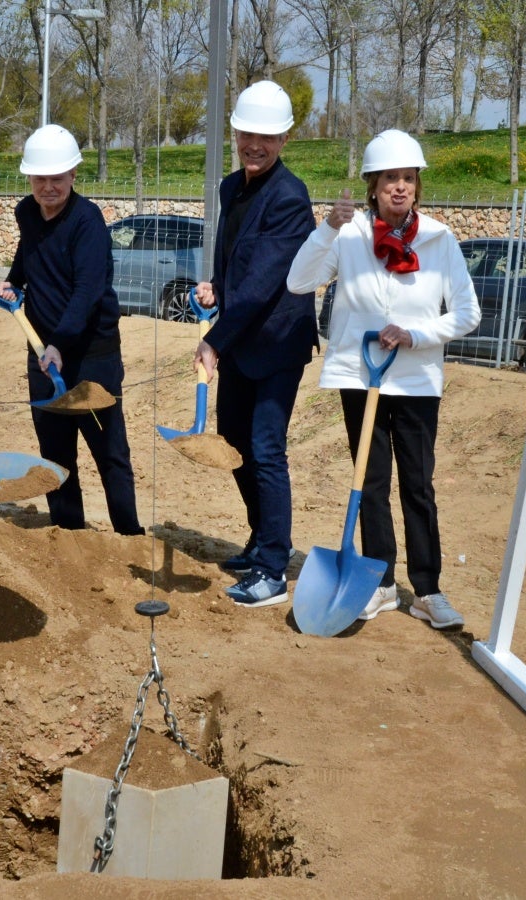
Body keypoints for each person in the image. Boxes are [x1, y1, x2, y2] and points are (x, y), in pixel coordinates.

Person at [287, 129, 480, 629]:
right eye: (390, 178)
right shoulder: (348, 236)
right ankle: (382, 582)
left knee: (417, 484)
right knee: (369, 483)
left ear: (417, 186)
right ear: (373, 185)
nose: (400, 187)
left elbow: (467, 312)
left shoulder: (439, 240)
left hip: (416, 382)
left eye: (408, 178)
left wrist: (416, 333)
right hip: (362, 375)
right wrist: (325, 229)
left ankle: (429, 589)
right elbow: (299, 281)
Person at [193, 80, 318, 609]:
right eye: (247, 134)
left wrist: (214, 339)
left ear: (285, 138)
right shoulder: (230, 187)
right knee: (236, 444)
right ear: (235, 133)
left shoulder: (290, 197)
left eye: (267, 137)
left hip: (277, 344)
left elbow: (266, 280)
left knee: (266, 450)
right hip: (242, 334)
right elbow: (235, 260)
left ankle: (273, 567)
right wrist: (214, 286)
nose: (255, 145)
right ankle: (260, 537)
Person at [0, 124, 143, 537]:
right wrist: (14, 281)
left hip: (92, 354)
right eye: (40, 178)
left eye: (56, 178)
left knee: (109, 451)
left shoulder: (87, 222)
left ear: (73, 175)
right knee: (55, 452)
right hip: (42, 348)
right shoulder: (26, 212)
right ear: (29, 178)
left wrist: (60, 344)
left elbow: (88, 291)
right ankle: (68, 535)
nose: (48, 187)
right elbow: (31, 256)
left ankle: (129, 535)